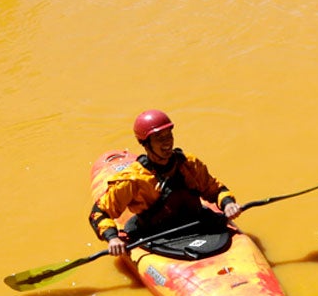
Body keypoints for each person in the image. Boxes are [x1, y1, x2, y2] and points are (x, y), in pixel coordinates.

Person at [89, 109, 242, 257]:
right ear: (146, 143)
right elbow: (99, 213)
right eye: (160, 138)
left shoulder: (189, 164)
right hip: (159, 237)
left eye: (169, 136)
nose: (167, 142)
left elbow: (216, 190)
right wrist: (112, 238)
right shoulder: (133, 179)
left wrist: (228, 204)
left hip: (198, 225)